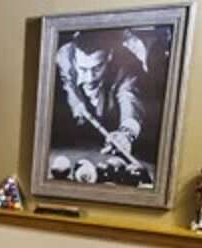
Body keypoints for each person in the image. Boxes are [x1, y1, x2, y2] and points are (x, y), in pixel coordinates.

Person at [54, 29, 150, 162]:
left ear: (109, 56)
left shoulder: (126, 64)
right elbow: (66, 84)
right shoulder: (64, 57)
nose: (90, 78)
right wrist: (75, 103)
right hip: (71, 141)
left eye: (97, 68)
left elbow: (129, 96)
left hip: (113, 135)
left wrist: (126, 134)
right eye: (83, 69)